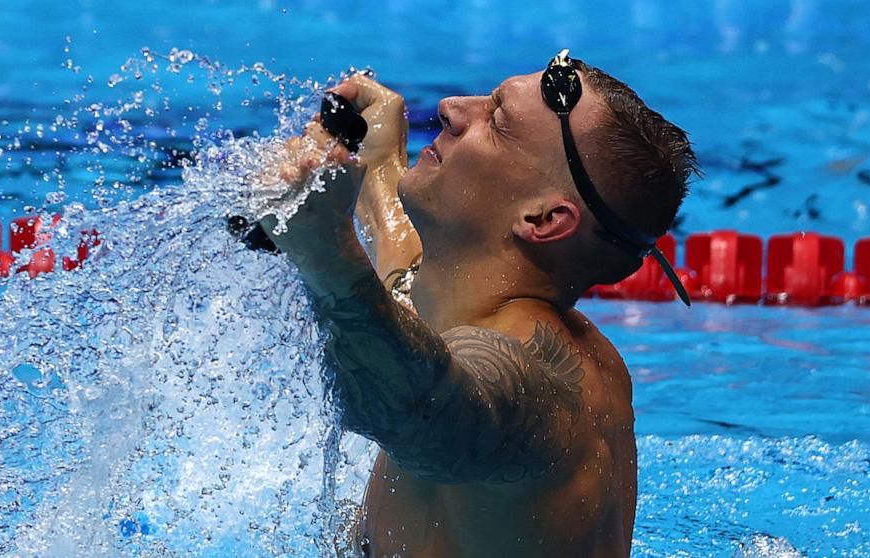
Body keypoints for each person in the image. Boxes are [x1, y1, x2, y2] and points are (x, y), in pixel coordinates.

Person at [265, 51, 697, 558]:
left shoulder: (536, 378)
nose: (451, 107)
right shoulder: (468, 299)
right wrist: (379, 163)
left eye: (496, 121)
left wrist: (324, 248)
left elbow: (410, 407)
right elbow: (403, 290)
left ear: (542, 219)